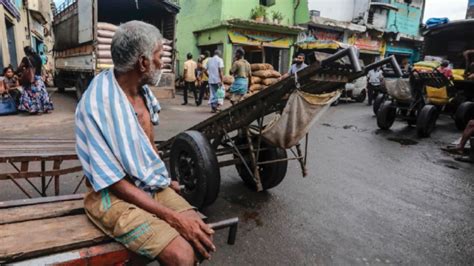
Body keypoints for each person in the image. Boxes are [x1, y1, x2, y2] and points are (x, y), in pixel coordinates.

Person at [75, 21, 215, 265]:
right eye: (159, 55)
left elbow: (146, 146)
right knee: (181, 255)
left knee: (200, 236)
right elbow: (114, 182)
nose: (163, 62)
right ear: (143, 63)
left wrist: (160, 177)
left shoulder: (142, 92)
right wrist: (173, 218)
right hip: (110, 196)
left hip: (148, 184)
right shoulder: (96, 105)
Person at [17, 46, 53, 114]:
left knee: (31, 94)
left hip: (31, 79)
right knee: (42, 93)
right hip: (39, 78)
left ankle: (35, 109)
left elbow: (20, 67)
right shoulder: (38, 57)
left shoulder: (26, 58)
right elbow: (41, 67)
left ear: (26, 52)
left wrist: (17, 72)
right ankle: (46, 108)